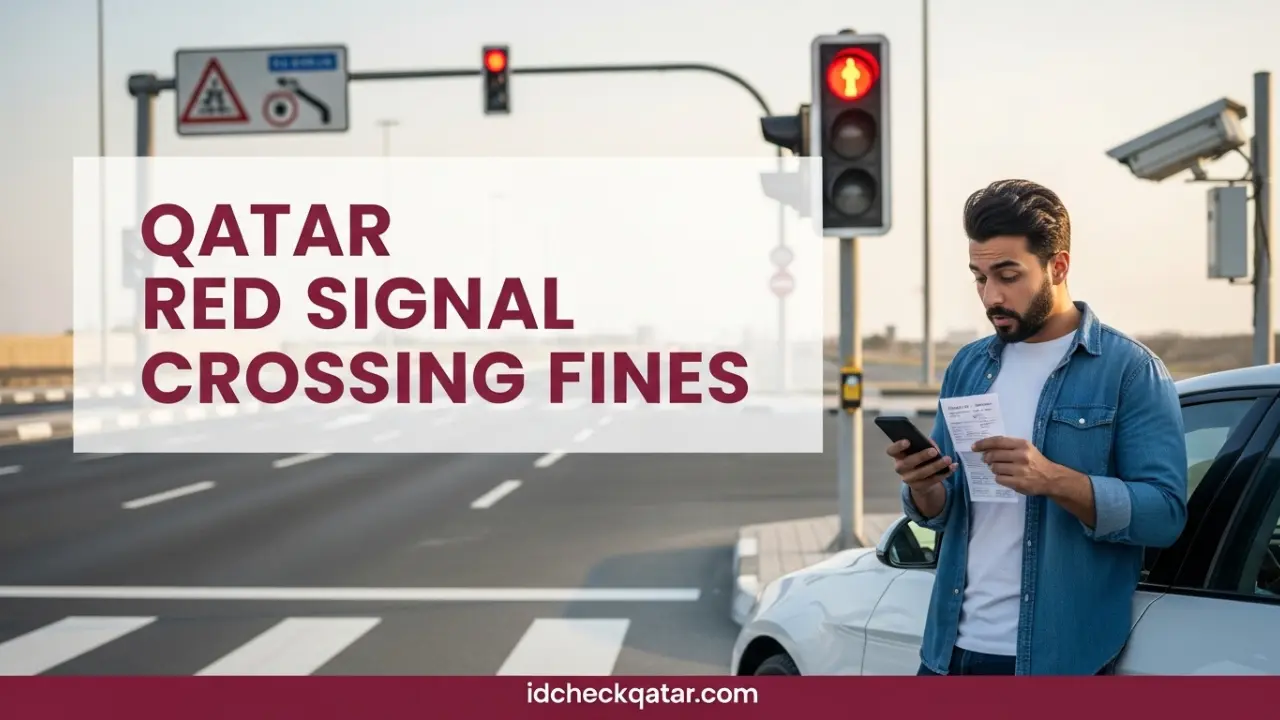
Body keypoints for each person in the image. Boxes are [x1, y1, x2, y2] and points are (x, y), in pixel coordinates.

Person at [890, 179, 1188, 676]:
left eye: (1008, 275)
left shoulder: (1129, 370)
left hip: (1056, 660)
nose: (991, 296)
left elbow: (1165, 514)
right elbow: (943, 510)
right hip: (948, 653)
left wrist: (1053, 480)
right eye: (979, 278)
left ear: (1059, 266)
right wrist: (924, 488)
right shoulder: (968, 366)